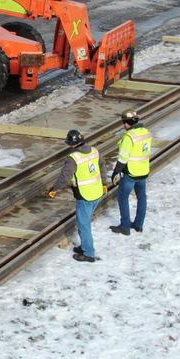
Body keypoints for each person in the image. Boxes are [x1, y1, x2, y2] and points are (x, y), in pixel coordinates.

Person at [48, 129, 106, 263]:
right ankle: (84, 246)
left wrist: (55, 189)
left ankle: (89, 253)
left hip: (85, 195)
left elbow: (65, 176)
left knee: (83, 225)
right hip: (97, 192)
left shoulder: (73, 158)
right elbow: (102, 167)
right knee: (84, 222)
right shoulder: (94, 151)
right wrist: (105, 183)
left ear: (70, 144)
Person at [109, 110, 152, 235]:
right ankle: (138, 225)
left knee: (122, 197)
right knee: (142, 197)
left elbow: (123, 158)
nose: (123, 125)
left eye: (123, 123)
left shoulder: (129, 137)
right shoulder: (146, 132)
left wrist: (115, 172)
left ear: (127, 123)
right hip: (143, 171)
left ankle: (125, 226)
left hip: (131, 173)